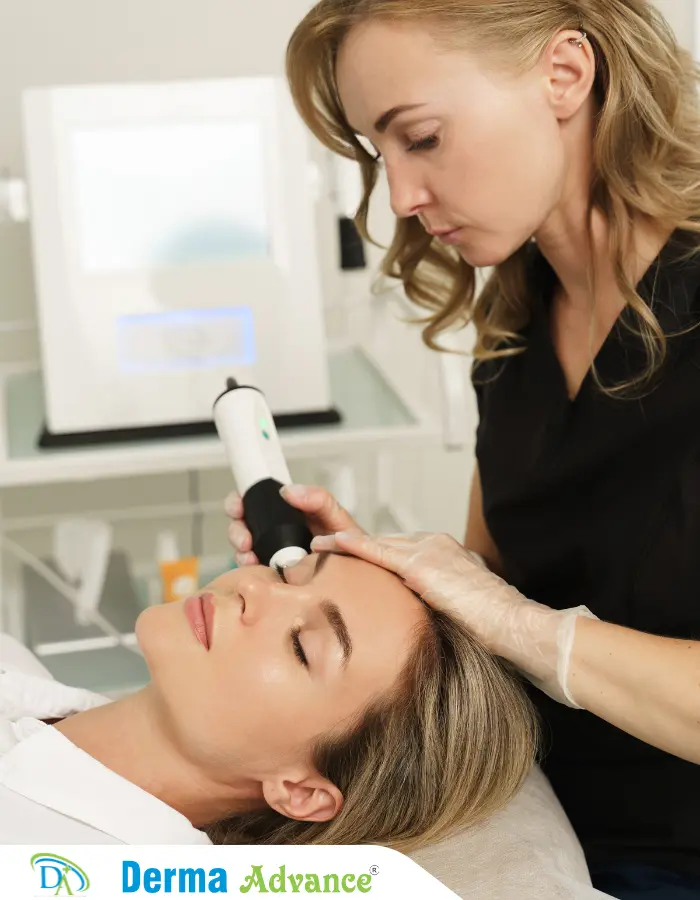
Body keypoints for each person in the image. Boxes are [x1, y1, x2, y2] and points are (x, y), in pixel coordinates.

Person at [227, 1, 700, 896]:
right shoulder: (512, 332)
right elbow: (491, 609)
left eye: (424, 138)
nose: (401, 196)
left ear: (565, 74)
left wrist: (523, 627)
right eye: (382, 155)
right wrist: (368, 578)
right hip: (534, 817)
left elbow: (514, 621)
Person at [0, 552, 538, 850]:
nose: (253, 589)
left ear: (301, 791)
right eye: (289, 573)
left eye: (303, 646)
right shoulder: (14, 664)